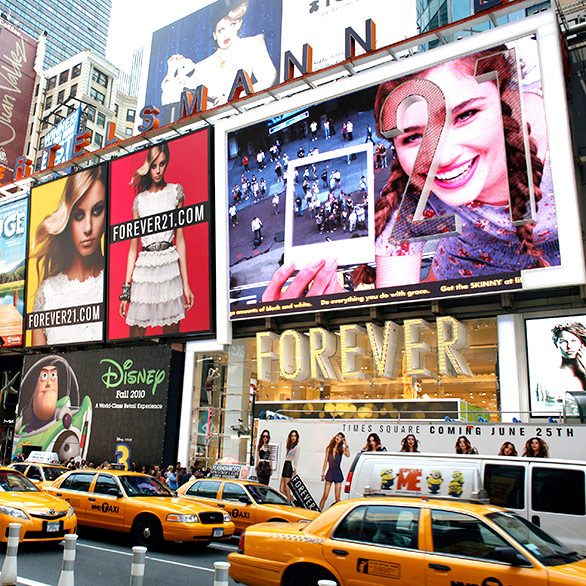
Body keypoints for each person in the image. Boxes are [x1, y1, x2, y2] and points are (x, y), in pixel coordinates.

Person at [353, 43, 557, 289]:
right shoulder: (413, 195)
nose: (443, 156)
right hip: (468, 271)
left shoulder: (562, 128)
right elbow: (395, 310)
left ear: (503, 98)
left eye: (464, 115)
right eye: (413, 137)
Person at [118, 143, 194, 337]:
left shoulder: (176, 191)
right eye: (153, 165)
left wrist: (186, 284)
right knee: (135, 336)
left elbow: (181, 239)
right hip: (145, 266)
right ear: (148, 166)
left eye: (162, 164)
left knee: (172, 335)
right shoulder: (140, 200)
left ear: (167, 163)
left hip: (169, 264)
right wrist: (126, 291)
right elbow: (133, 248)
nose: (158, 170)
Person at [30, 166, 106, 346]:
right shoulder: (47, 292)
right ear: (67, 219)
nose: (88, 227)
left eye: (97, 211)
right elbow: (40, 366)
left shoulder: (118, 284)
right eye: (79, 215)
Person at [161, 0, 277, 110]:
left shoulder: (252, 44)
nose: (226, 34)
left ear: (239, 24)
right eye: (221, 30)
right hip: (214, 125)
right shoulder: (202, 66)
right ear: (215, 35)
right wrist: (171, 73)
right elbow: (169, 101)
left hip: (245, 116)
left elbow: (269, 78)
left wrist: (234, 98)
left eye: (231, 25)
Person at [319, 432, 350, 511]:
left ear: (341, 440)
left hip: (337, 472)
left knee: (337, 498)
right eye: (337, 436)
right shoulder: (329, 448)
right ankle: (318, 512)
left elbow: (348, 455)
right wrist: (323, 474)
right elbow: (325, 462)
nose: (338, 438)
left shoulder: (342, 449)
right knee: (325, 495)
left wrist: (346, 444)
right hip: (330, 471)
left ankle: (337, 515)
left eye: (340, 438)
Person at [280, 430, 299, 500]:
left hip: (289, 466)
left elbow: (296, 460)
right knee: (281, 489)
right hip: (285, 465)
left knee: (287, 489)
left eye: (295, 436)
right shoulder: (289, 446)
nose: (293, 438)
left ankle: (290, 503)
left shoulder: (296, 447)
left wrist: (294, 471)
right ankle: (293, 500)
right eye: (292, 436)